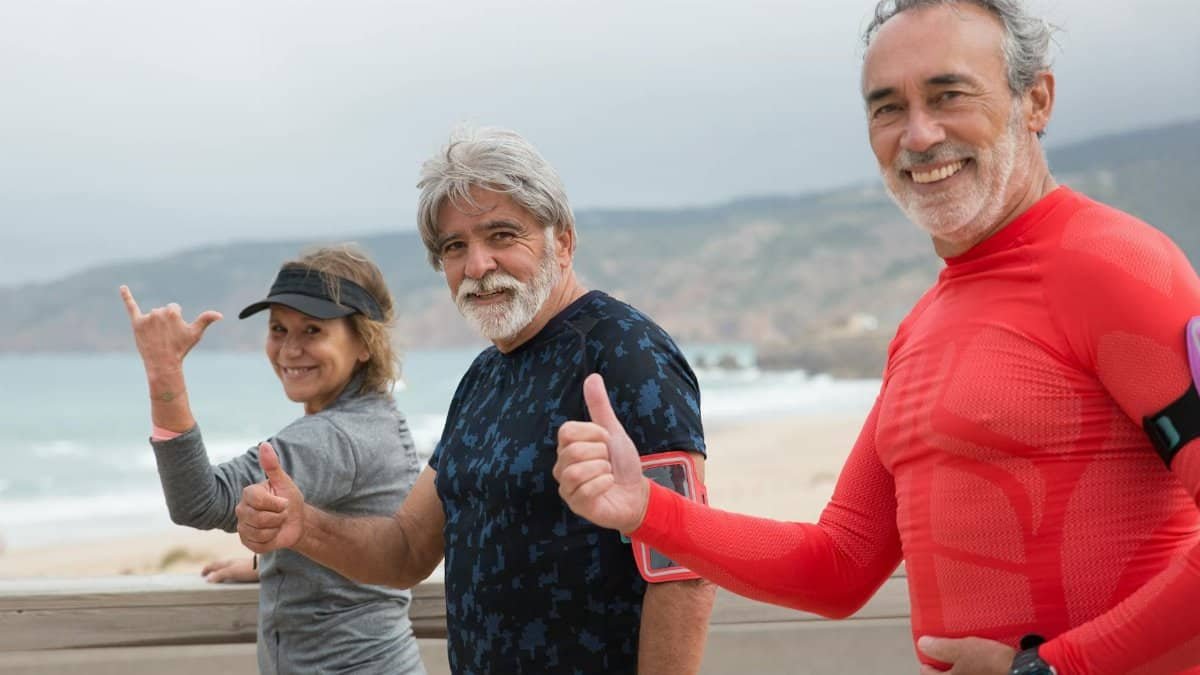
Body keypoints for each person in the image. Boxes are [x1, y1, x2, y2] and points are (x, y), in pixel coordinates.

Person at [553, 1, 1200, 674]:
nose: (918, 135)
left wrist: (1055, 668)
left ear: (1035, 99)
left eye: (948, 95)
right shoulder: (921, 328)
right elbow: (839, 563)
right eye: (887, 108)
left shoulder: (1120, 269)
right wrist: (646, 509)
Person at [235, 127, 715, 674]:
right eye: (454, 247)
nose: (478, 265)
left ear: (562, 241)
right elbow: (407, 549)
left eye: (502, 235)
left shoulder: (624, 351)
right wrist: (304, 527)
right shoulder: (484, 376)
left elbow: (683, 565)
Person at [121, 245, 425, 675]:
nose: (289, 349)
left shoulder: (334, 436)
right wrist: (278, 563)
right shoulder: (377, 418)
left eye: (313, 331)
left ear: (364, 342)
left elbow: (200, 500)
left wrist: (163, 371)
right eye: (279, 329)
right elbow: (350, 525)